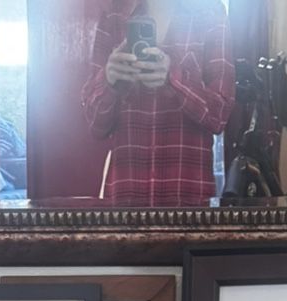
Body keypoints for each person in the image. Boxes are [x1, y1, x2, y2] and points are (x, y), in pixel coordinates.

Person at [82, 4, 232, 208]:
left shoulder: (210, 14)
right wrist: (109, 81)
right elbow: (95, 126)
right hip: (125, 207)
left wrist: (173, 78)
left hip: (188, 207)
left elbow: (220, 115)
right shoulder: (113, 17)